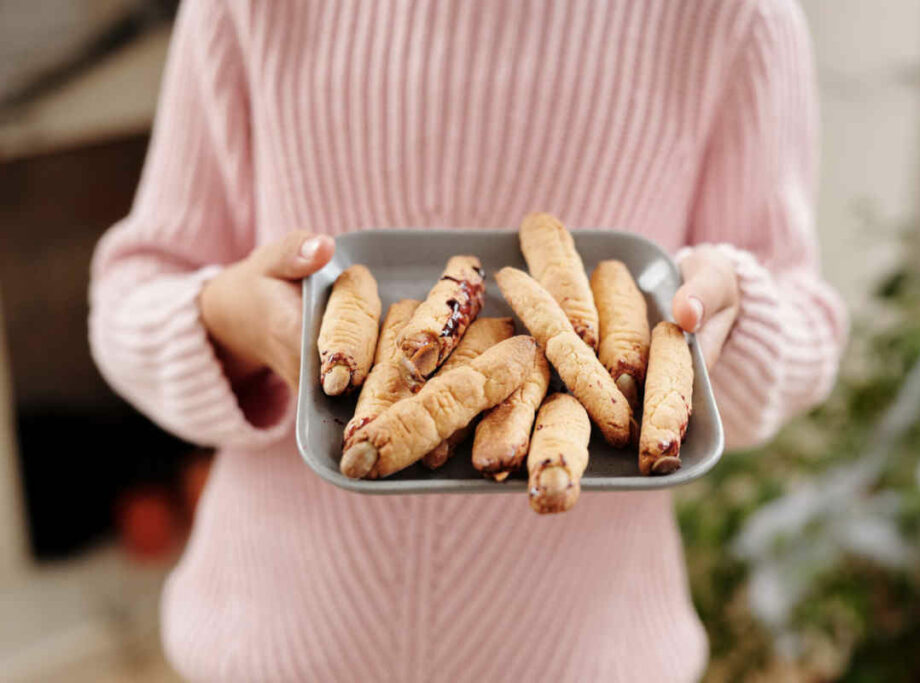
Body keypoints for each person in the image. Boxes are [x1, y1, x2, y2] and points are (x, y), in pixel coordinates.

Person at [89, 0, 847, 680]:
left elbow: (808, 327)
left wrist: (717, 332)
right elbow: (130, 298)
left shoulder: (732, 17)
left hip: (588, 654)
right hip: (272, 644)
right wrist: (222, 319)